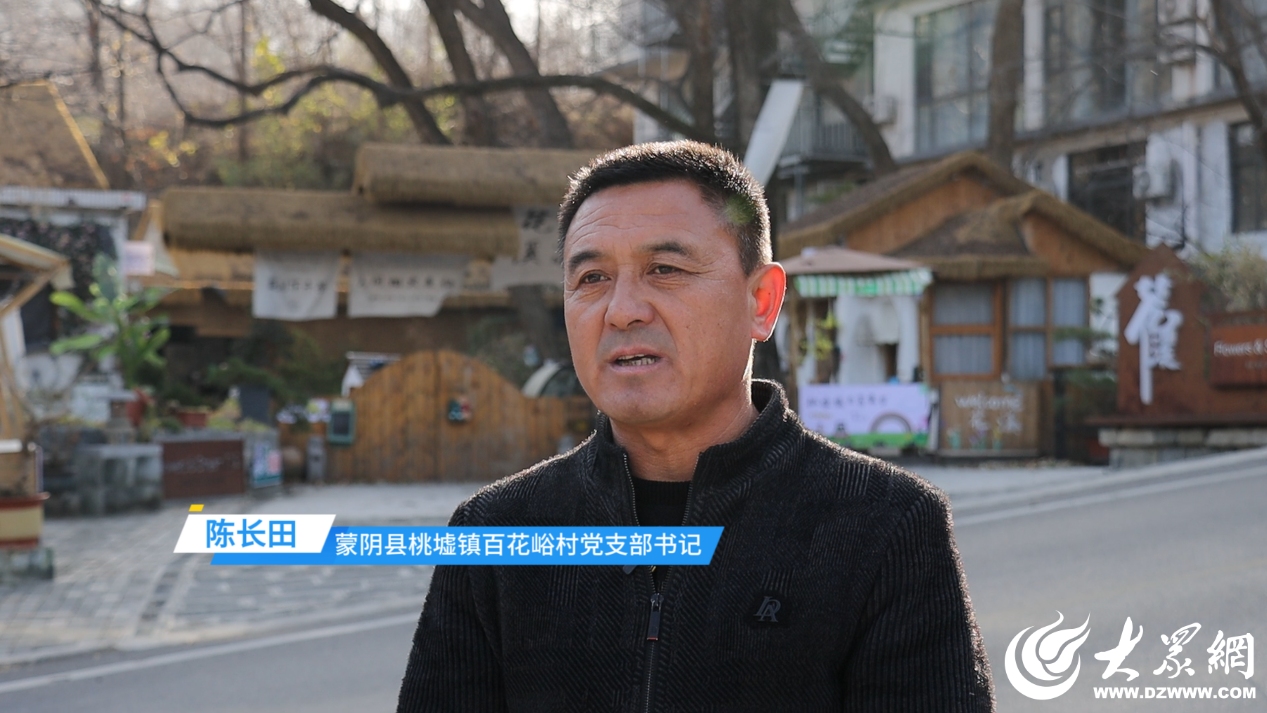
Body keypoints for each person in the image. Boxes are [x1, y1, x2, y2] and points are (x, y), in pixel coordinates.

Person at [397, 140, 994, 712]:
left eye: (665, 268)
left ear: (762, 301)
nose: (622, 310)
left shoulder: (883, 524)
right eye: (592, 278)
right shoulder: (494, 532)